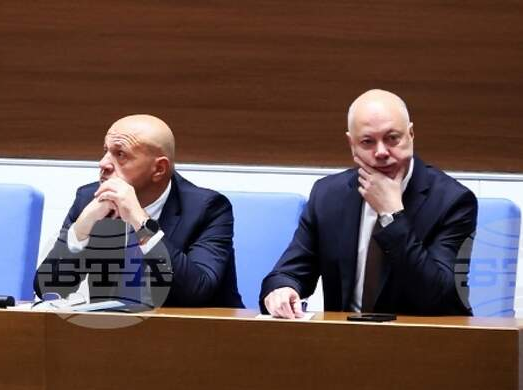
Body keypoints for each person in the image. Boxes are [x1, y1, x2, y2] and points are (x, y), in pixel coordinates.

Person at [260, 89, 477, 317]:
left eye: (392, 138)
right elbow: (288, 273)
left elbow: (442, 300)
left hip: (421, 335)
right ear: (351, 144)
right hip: (345, 335)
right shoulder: (328, 195)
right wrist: (282, 289)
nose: (381, 152)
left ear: (411, 134)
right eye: (367, 142)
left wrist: (392, 215)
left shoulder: (453, 201)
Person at [35, 114, 243, 308]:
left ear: (159, 169)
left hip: (197, 330)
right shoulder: (90, 199)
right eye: (105, 151)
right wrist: (82, 228)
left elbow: (195, 293)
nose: (103, 163)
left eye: (120, 154)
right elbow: (48, 289)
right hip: (113, 330)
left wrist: (140, 221)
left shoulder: (208, 209)